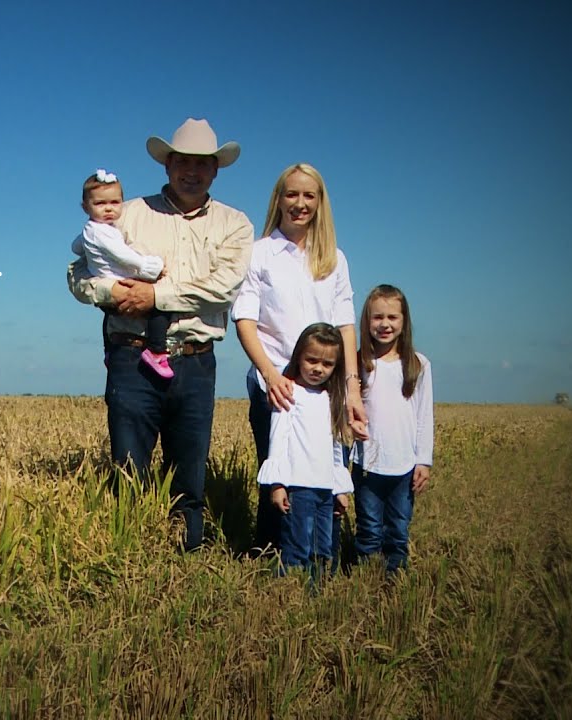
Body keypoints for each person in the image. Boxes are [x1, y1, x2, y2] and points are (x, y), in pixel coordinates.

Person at [68, 118, 254, 551]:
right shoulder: (126, 211)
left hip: (195, 359)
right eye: (183, 162)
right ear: (168, 164)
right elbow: (78, 273)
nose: (192, 171)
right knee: (129, 468)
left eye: (202, 164)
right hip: (131, 357)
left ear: (215, 170)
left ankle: (185, 558)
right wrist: (111, 291)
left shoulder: (234, 224)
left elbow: (223, 286)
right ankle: (131, 560)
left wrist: (156, 296)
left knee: (189, 474)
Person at [231, 163, 367, 552]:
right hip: (277, 383)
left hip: (328, 387)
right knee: (278, 469)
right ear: (278, 199)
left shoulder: (335, 259)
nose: (300, 203)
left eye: (309, 195)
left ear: (320, 202)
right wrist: (272, 376)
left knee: (329, 467)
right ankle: (273, 554)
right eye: (292, 194)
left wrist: (352, 388)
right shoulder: (260, 254)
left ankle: (324, 555)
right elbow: (245, 320)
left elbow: (345, 325)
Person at [257, 323, 354, 578]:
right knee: (296, 546)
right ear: (299, 355)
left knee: (322, 549)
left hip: (325, 488)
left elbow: (336, 447)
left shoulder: (333, 398)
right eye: (311, 360)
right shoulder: (288, 392)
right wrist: (277, 484)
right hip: (298, 487)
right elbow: (277, 441)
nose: (318, 368)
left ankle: (316, 597)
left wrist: (340, 488)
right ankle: (289, 595)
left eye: (327, 364)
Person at [352, 284, 433, 575]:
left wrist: (423, 460)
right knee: (369, 530)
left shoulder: (418, 364)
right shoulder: (359, 363)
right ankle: (365, 582)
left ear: (404, 321)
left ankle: (393, 582)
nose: (385, 324)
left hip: (404, 466)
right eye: (377, 317)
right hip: (367, 464)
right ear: (366, 321)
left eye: (392, 317)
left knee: (398, 530)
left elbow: (424, 415)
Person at [70, 169, 172, 378]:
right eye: (100, 204)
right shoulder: (104, 232)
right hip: (119, 280)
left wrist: (89, 251)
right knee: (159, 309)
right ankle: (156, 351)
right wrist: (150, 267)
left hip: (103, 282)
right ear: (85, 207)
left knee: (110, 317)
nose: (108, 209)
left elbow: (76, 247)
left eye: (115, 203)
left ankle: (108, 351)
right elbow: (124, 256)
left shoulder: (90, 229)